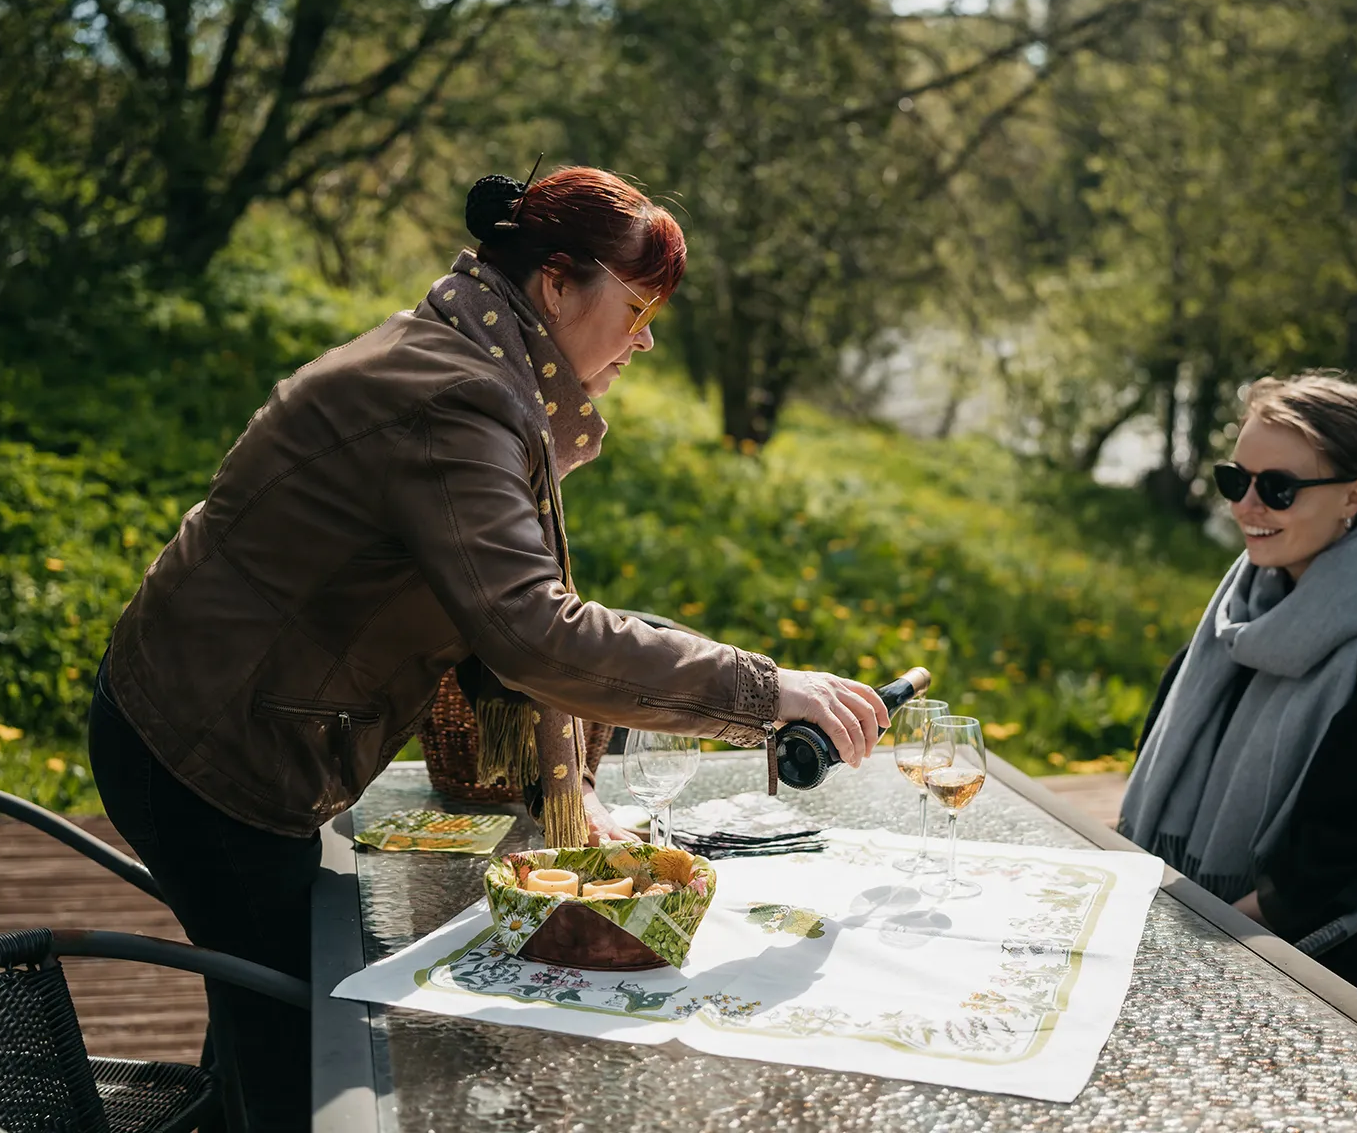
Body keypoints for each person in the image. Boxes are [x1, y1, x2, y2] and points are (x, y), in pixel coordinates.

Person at [87, 165, 889, 1132]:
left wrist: (567, 797)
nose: (642, 340)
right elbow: (531, 633)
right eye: (634, 307)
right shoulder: (457, 400)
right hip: (211, 756)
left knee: (276, 1017)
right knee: (316, 1066)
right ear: (557, 282)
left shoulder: (470, 362)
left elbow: (489, 622)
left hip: (214, 720)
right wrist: (768, 692)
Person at [1119, 372, 1357, 1016]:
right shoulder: (1240, 613)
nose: (1246, 507)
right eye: (1237, 481)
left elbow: (1346, 871)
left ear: (1353, 496)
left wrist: (1190, 938)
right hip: (1203, 924)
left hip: (1325, 967)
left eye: (1277, 489)